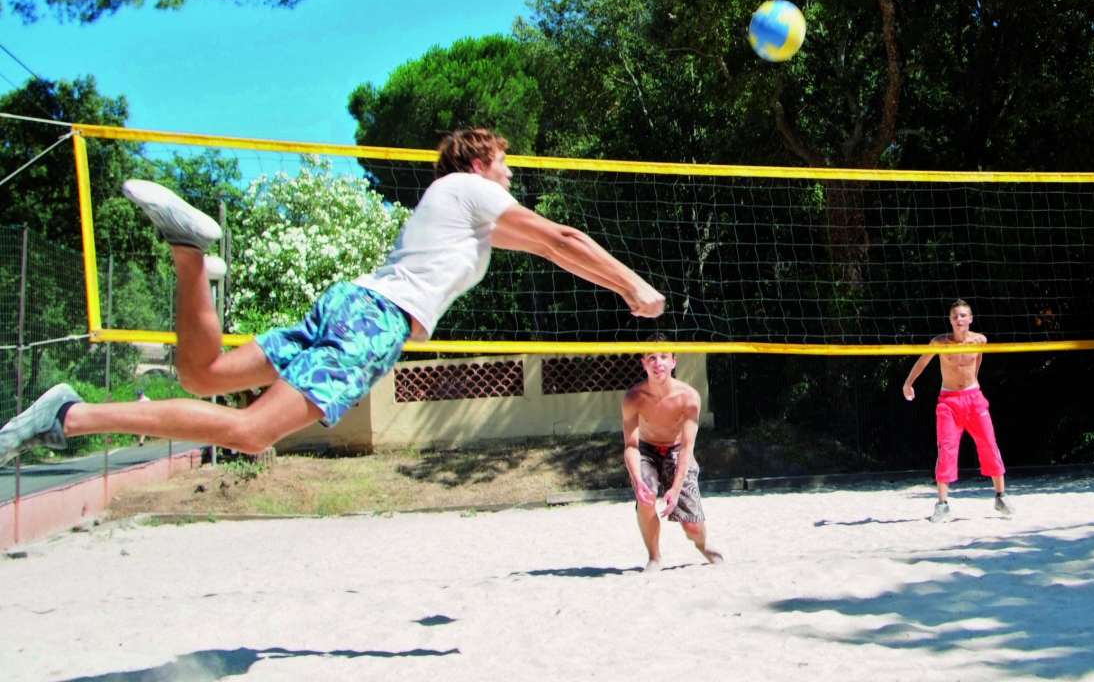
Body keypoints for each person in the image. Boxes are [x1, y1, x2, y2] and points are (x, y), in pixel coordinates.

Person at [1, 128, 666, 464]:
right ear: (477, 164)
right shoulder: (469, 190)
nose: (512, 172)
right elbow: (562, 238)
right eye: (504, 162)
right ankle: (73, 417)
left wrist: (619, 287)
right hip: (375, 322)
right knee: (252, 433)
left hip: (351, 304)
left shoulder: (457, 213)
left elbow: (551, 249)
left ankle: (189, 255)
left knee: (202, 374)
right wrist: (634, 285)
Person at [902, 298, 1010, 521]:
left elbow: (977, 362)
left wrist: (973, 385)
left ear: (970, 319)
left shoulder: (980, 340)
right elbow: (923, 361)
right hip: (948, 402)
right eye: (955, 316)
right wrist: (908, 383)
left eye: (963, 315)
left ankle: (1001, 496)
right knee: (947, 449)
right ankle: (942, 504)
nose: (959, 319)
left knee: (989, 444)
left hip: (974, 399)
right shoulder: (940, 342)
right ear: (950, 320)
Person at [621, 343, 721, 570]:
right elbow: (631, 446)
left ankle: (703, 545)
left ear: (673, 362)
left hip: (677, 450)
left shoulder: (689, 397)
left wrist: (675, 490)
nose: (658, 363)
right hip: (646, 449)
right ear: (644, 364)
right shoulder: (633, 397)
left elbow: (687, 447)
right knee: (645, 498)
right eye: (652, 357)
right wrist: (637, 481)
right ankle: (654, 557)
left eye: (664, 357)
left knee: (691, 527)